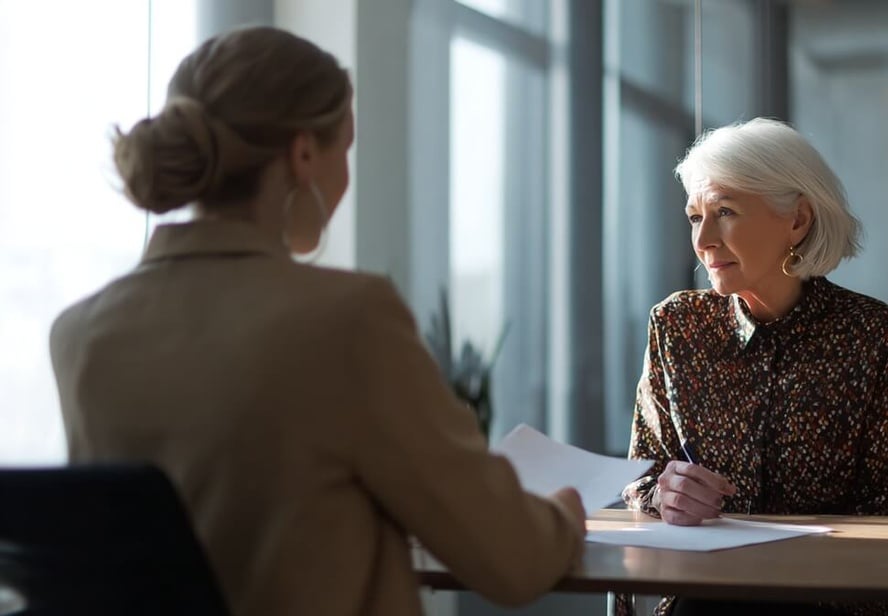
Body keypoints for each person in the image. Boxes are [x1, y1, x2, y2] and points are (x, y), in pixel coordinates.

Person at [50, 26, 585, 616]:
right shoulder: (348, 320)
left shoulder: (79, 336)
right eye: (345, 150)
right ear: (303, 155)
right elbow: (514, 559)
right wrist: (564, 512)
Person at [619, 118, 888, 616]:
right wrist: (663, 494)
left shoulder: (876, 336)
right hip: (707, 594)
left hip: (831, 599)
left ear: (797, 221)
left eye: (725, 212)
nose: (704, 240)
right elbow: (640, 477)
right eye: (695, 217)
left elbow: (887, 510)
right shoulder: (676, 325)